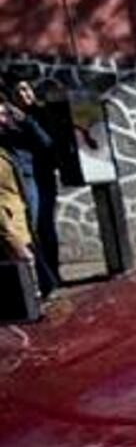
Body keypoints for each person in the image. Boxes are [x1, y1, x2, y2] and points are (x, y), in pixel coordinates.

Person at [0, 96, 55, 296]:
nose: (3, 119)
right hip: (10, 223)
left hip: (23, 201)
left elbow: (45, 142)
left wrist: (26, 120)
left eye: (5, 114)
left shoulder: (15, 134)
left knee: (45, 282)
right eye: (0, 116)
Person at [12, 80, 61, 284]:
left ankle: (53, 273)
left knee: (45, 226)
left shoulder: (41, 114)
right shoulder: (10, 118)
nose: (23, 94)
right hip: (24, 176)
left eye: (26, 89)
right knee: (31, 226)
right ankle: (43, 276)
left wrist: (27, 121)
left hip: (43, 176)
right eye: (18, 91)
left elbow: (49, 142)